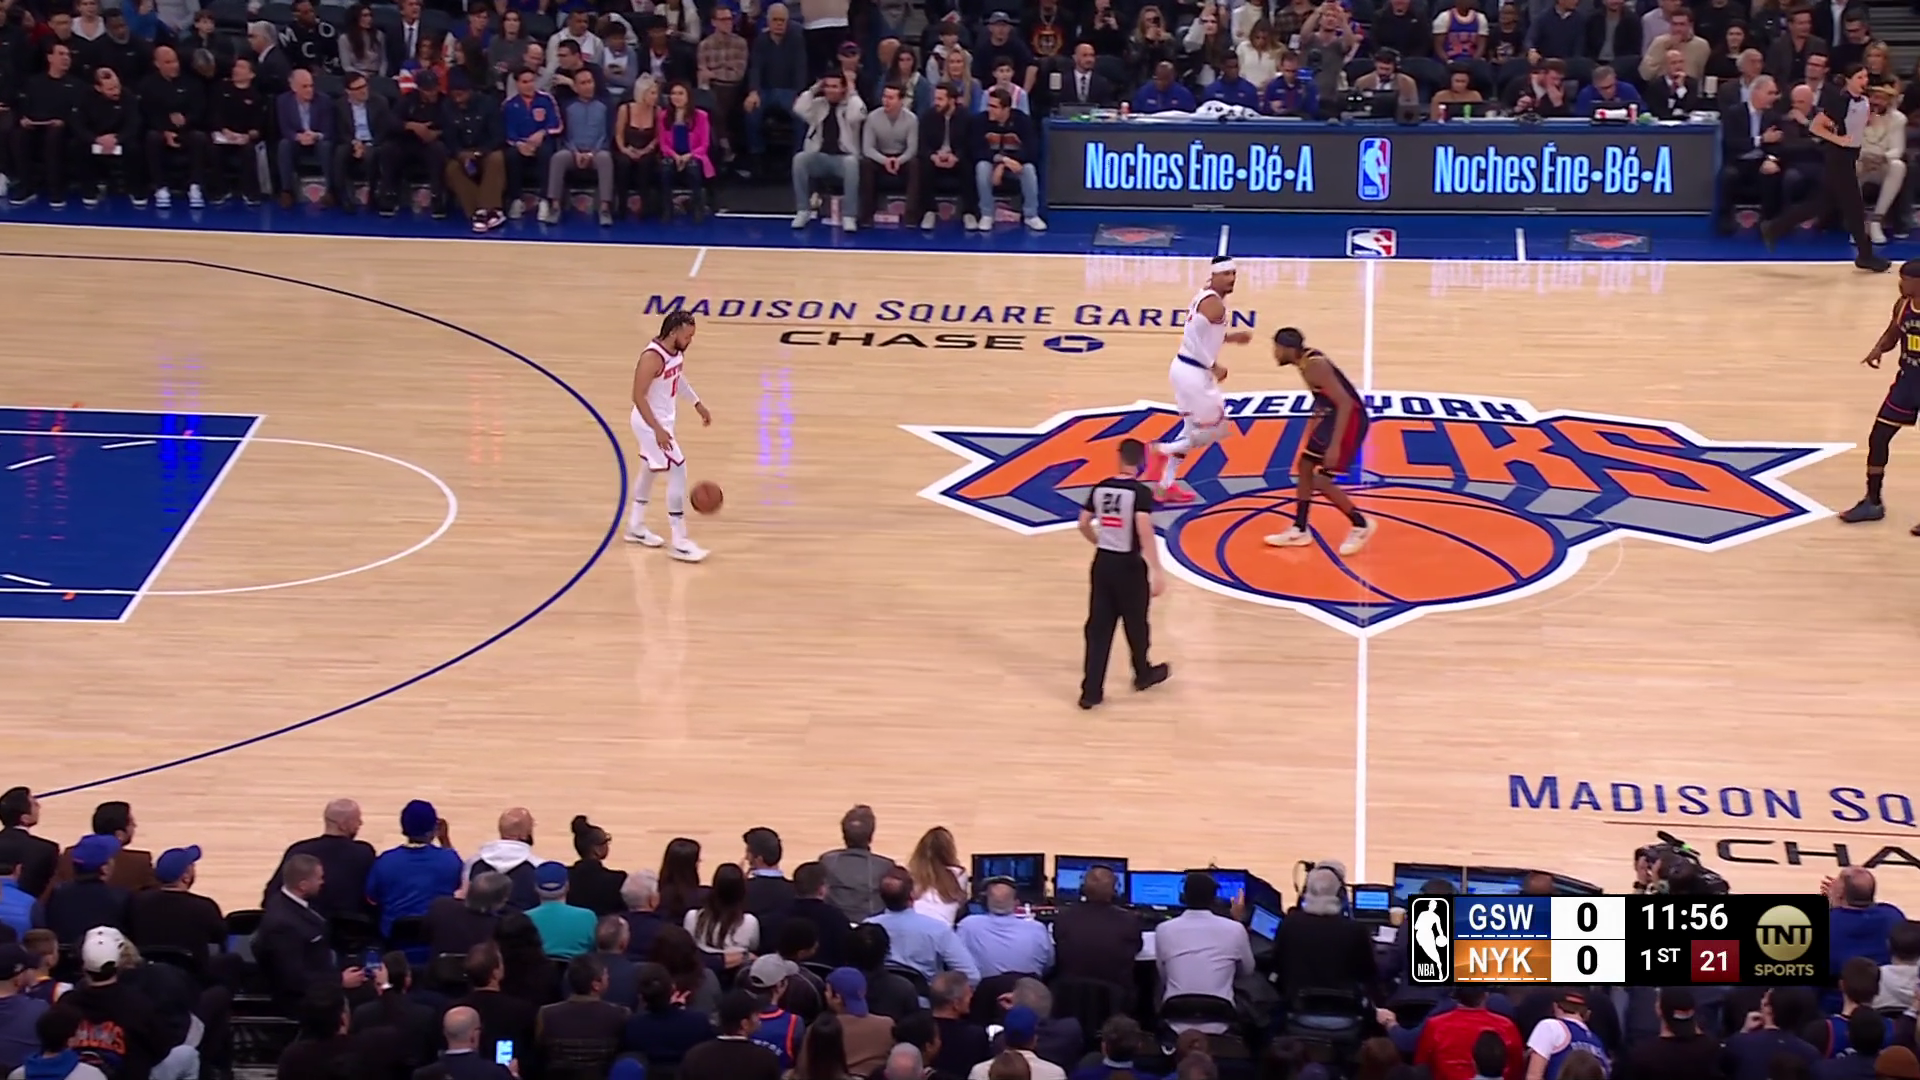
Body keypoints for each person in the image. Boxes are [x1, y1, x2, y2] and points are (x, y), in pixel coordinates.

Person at [1763, 62, 1892, 271]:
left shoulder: (1863, 101)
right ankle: (1865, 255)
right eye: (1859, 77)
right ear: (1848, 80)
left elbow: (1857, 122)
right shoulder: (1840, 101)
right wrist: (1838, 139)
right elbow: (1816, 126)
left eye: (1865, 77)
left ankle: (1774, 227)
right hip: (1838, 157)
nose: (1864, 81)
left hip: (1850, 156)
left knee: (1820, 204)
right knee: (1854, 208)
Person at [1075, 438, 1171, 711]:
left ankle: (1091, 692)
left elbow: (1083, 522)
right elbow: (1144, 529)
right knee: (1136, 624)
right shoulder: (1140, 493)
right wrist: (1156, 569)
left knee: (1098, 629)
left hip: (1103, 563)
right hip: (1129, 567)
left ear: (1119, 457)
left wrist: (1098, 541)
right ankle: (1142, 673)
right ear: (1142, 462)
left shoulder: (1100, 487)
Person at [1263, 327, 1376, 554]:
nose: (1275, 353)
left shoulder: (1315, 366)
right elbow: (1324, 398)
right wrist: (1313, 422)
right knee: (1305, 466)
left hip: (1350, 420)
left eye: (1277, 348)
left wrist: (1334, 445)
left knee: (1321, 480)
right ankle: (1300, 528)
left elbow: (1345, 403)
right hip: (1333, 417)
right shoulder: (1305, 362)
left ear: (1287, 349)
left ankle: (1361, 524)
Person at [1147, 255, 1249, 504]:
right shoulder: (1213, 304)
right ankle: (1159, 450)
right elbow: (1191, 339)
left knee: (1190, 431)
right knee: (1216, 430)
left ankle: (1165, 486)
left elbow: (1205, 335)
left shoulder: (1207, 297)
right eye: (1226, 274)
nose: (1231, 279)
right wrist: (1214, 366)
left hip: (1185, 369)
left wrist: (1231, 338)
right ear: (1214, 275)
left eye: (1233, 274)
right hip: (1193, 372)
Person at [627, 311, 715, 563]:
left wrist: (697, 403)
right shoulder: (652, 357)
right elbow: (637, 396)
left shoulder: (675, 353)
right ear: (674, 332)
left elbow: (678, 379)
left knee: (649, 469)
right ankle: (680, 541)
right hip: (648, 423)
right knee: (678, 468)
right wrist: (656, 429)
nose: (690, 341)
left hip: (662, 422)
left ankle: (635, 525)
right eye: (688, 336)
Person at [1841, 260, 1920, 527]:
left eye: (1906, 279)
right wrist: (1878, 349)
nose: (1901, 284)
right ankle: (1872, 501)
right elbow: (1893, 332)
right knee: (1878, 437)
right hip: (1907, 384)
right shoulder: (1903, 306)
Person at [682, 989, 780, 1080]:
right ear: (744, 1024)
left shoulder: (695, 1056)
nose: (759, 1019)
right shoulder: (765, 1059)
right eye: (756, 1015)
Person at [1523, 991, 1609, 1079]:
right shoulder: (1597, 1042)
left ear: (1555, 1007)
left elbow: (1533, 1076)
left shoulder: (1550, 1026)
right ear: (1587, 1014)